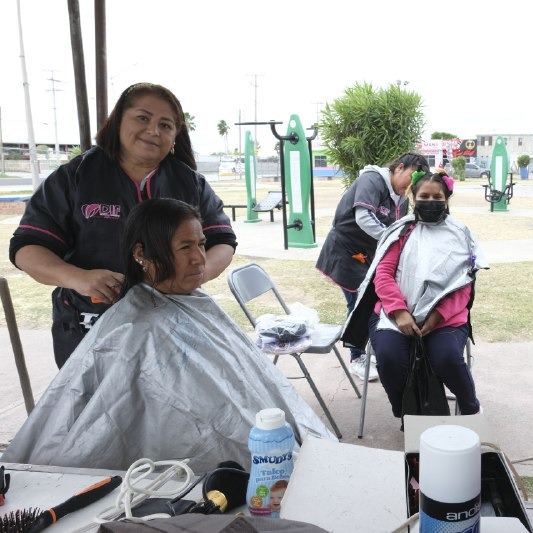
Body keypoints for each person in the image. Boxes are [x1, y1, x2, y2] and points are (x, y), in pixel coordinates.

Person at [0, 199, 335, 471]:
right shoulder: (135, 328)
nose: (199, 258)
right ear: (141, 253)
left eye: (202, 244)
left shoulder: (196, 304)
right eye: (185, 246)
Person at [9, 82, 237, 368]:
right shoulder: (76, 177)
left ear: (175, 136)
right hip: (90, 323)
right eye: (143, 118)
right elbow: (27, 248)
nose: (154, 131)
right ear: (118, 122)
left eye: (166, 125)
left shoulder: (189, 182)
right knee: (97, 406)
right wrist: (78, 278)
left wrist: (189, 278)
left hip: (173, 318)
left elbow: (223, 242)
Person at [342, 170, 487, 422]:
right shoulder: (400, 232)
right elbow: (383, 275)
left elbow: (464, 284)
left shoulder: (461, 234)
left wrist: (436, 317)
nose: (430, 201)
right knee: (388, 358)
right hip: (395, 315)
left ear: (446, 199)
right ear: (414, 197)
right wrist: (400, 313)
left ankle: (471, 408)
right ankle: (407, 413)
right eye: (424, 195)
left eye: (437, 196)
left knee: (447, 358)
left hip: (444, 319)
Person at [316, 152, 430, 381]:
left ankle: (375, 350)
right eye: (411, 175)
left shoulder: (403, 198)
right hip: (345, 253)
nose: (412, 184)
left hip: (368, 255)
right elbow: (364, 217)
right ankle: (357, 357)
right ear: (399, 168)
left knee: (375, 301)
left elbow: (400, 228)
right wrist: (394, 240)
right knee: (359, 304)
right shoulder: (373, 180)